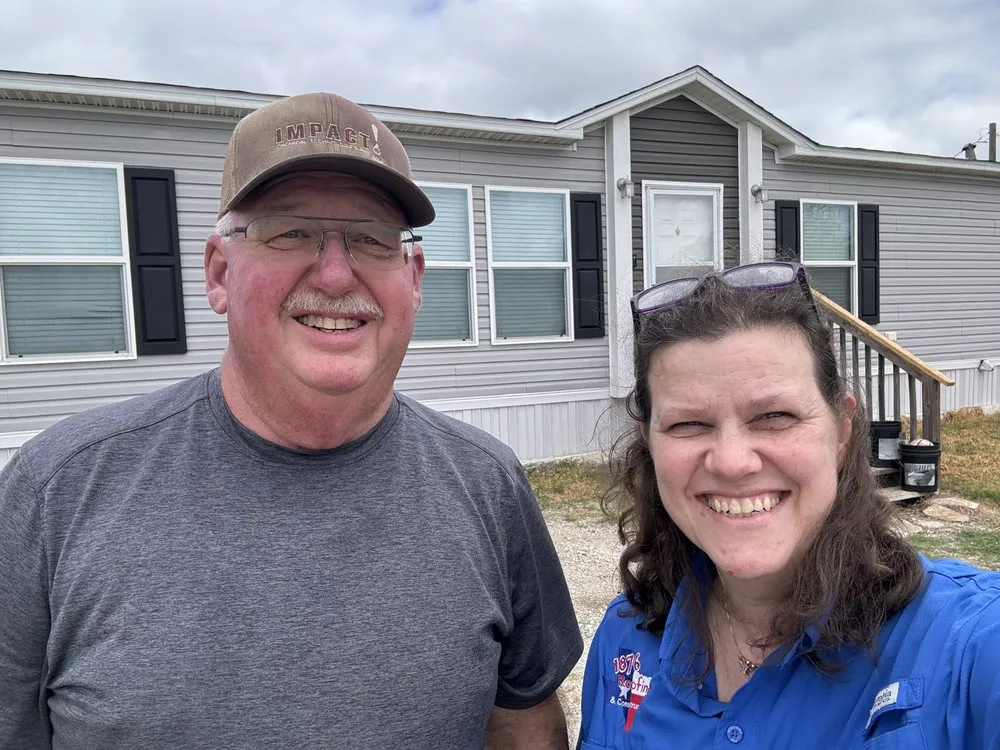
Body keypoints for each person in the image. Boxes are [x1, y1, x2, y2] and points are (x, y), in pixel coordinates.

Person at [0, 91, 582, 749]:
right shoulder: (58, 493)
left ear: (415, 277)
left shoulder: (487, 484)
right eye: (290, 233)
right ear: (219, 272)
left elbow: (524, 727)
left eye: (371, 238)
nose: (335, 275)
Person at [576, 262, 1000, 748]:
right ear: (650, 444)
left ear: (841, 431)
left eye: (775, 415)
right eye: (688, 425)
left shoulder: (965, 645)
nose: (732, 462)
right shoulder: (624, 638)